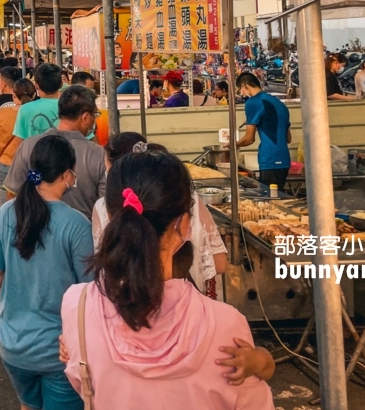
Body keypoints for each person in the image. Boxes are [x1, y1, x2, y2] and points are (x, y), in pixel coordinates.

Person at [60, 148, 275, 409]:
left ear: (113, 220)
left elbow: (83, 382)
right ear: (184, 225)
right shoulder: (226, 324)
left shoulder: (77, 307)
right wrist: (263, 360)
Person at [0, 135, 94, 410]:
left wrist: (21, 284)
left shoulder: (7, 212)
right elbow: (89, 292)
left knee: (28, 405)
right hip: (58, 351)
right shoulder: (76, 224)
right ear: (67, 174)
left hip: (13, 346)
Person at [5, 86, 108, 220]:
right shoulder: (98, 154)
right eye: (95, 114)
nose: (95, 119)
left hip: (34, 232)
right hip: (83, 234)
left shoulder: (29, 145)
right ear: (85, 117)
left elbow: (12, 194)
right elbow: (105, 207)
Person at [0, 76, 36, 214]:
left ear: (13, 94)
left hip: (6, 163)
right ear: (34, 94)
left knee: (3, 197)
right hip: (33, 164)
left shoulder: (1, 113)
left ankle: (4, 227)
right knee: (32, 195)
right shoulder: (36, 113)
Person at [236, 72, 292, 191]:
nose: (241, 93)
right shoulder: (278, 103)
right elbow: (288, 138)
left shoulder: (252, 103)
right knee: (280, 197)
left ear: (244, 86)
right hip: (285, 160)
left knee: (270, 201)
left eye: (240, 89)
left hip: (270, 159)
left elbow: (249, 139)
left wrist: (232, 145)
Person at [12, 63, 63, 143]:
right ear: (61, 84)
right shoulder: (71, 107)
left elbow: (19, 143)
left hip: (33, 155)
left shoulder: (25, 109)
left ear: (36, 85)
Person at [70, 71, 109, 145]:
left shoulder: (89, 106)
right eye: (89, 89)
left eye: (92, 90)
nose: (92, 93)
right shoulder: (70, 108)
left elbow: (92, 133)